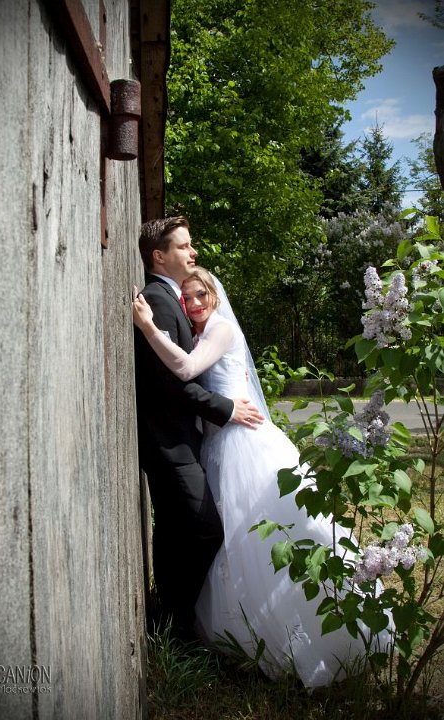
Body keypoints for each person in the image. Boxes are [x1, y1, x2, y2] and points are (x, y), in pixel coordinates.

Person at [133, 266, 390, 688]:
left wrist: (147, 327)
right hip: (218, 444)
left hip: (243, 442)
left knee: (261, 527)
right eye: (188, 298)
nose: (194, 304)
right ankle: (242, 627)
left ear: (215, 296)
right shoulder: (201, 331)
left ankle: (315, 628)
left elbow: (186, 369)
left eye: (201, 295)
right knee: (232, 535)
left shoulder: (220, 330)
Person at [134, 217, 264, 641]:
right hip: (169, 441)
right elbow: (173, 382)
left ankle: (170, 623)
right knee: (203, 527)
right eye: (184, 246)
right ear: (159, 256)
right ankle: (177, 625)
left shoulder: (175, 302)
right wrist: (226, 409)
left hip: (185, 438)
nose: (193, 253)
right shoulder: (158, 300)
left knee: (177, 529)